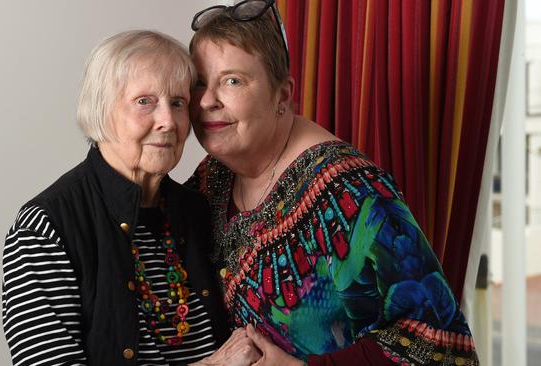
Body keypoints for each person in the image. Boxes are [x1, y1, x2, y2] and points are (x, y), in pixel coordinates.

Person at [186, 1, 479, 365]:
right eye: (199, 82)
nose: (207, 101)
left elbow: (443, 349)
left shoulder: (351, 193)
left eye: (233, 80)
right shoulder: (211, 176)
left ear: (283, 94)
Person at [1, 30, 261, 366]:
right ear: (100, 109)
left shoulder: (198, 208)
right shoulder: (46, 227)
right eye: (144, 102)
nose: (168, 122)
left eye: (178, 103)